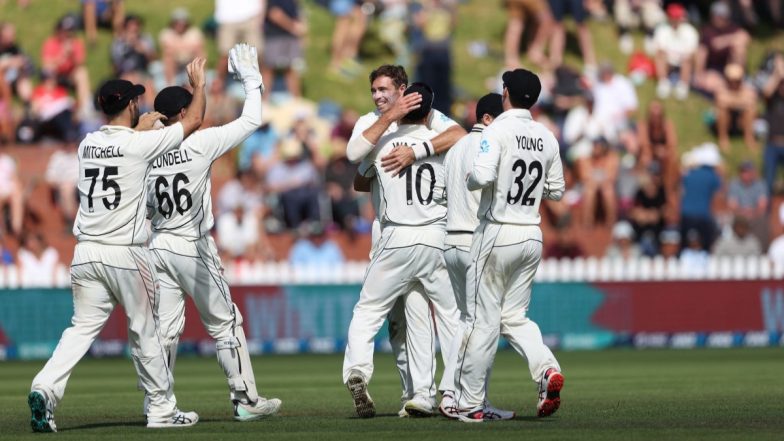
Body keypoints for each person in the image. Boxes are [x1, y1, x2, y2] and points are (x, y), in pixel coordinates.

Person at [28, 57, 207, 432]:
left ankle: (44, 388)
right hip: (125, 252)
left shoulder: (87, 144)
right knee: (147, 330)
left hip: (85, 253)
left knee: (80, 329)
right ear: (129, 105)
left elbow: (119, 145)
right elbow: (192, 122)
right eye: (136, 101)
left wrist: (138, 130)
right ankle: (161, 409)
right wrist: (200, 86)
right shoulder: (139, 145)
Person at [146, 44, 281, 421]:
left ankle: (158, 408)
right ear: (184, 113)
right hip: (192, 244)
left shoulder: (146, 149)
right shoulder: (200, 143)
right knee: (226, 323)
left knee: (166, 331)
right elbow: (251, 121)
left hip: (158, 245)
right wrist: (252, 82)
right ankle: (246, 400)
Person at [346, 64, 466, 417]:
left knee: (387, 312)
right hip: (426, 234)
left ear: (404, 91)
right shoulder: (372, 124)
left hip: (396, 234)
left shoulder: (419, 132)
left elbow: (457, 132)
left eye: (385, 90)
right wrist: (391, 121)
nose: (379, 97)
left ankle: (413, 389)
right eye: (374, 91)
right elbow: (356, 165)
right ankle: (435, 392)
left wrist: (415, 152)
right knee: (419, 319)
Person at [454, 68, 565, 422]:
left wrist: (470, 178)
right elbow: (557, 189)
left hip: (497, 232)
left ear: (506, 93)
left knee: (483, 321)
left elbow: (483, 176)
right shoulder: (547, 136)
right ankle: (547, 370)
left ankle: (471, 404)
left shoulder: (496, 129)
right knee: (514, 317)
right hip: (531, 233)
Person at [442, 92, 514, 420]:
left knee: (466, 321)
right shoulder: (490, 145)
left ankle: (454, 395)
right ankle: (465, 400)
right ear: (487, 119)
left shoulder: (455, 148)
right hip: (475, 242)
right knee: (482, 325)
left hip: (450, 242)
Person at [652, 2, 698, 100]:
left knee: (687, 59)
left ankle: (683, 85)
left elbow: (692, 52)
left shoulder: (690, 31)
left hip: (684, 62)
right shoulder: (662, 30)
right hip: (668, 62)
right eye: (673, 17)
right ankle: (663, 83)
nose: (675, 20)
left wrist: (681, 57)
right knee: (660, 56)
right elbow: (659, 50)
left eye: (677, 17)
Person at [262, 0, 306, 98]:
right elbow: (274, 13)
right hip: (274, 36)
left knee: (292, 68)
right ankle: (263, 101)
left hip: (290, 37)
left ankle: (296, 99)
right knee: (269, 68)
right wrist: (293, 27)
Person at [762, 51, 784, 197]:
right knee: (768, 184)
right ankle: (766, 215)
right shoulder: (773, 100)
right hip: (772, 145)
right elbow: (766, 91)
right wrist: (778, 74)